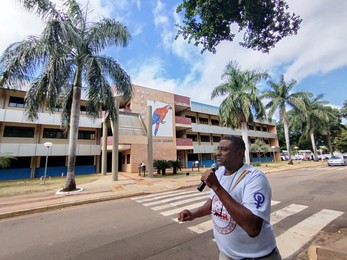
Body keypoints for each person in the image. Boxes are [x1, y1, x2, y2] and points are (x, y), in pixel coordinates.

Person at [178, 136, 282, 260]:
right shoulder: (219, 173)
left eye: (224, 149)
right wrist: (193, 213)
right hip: (226, 255)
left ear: (240, 153)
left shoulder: (254, 177)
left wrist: (217, 187)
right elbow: (213, 202)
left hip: (256, 256)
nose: (218, 153)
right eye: (218, 149)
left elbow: (253, 228)